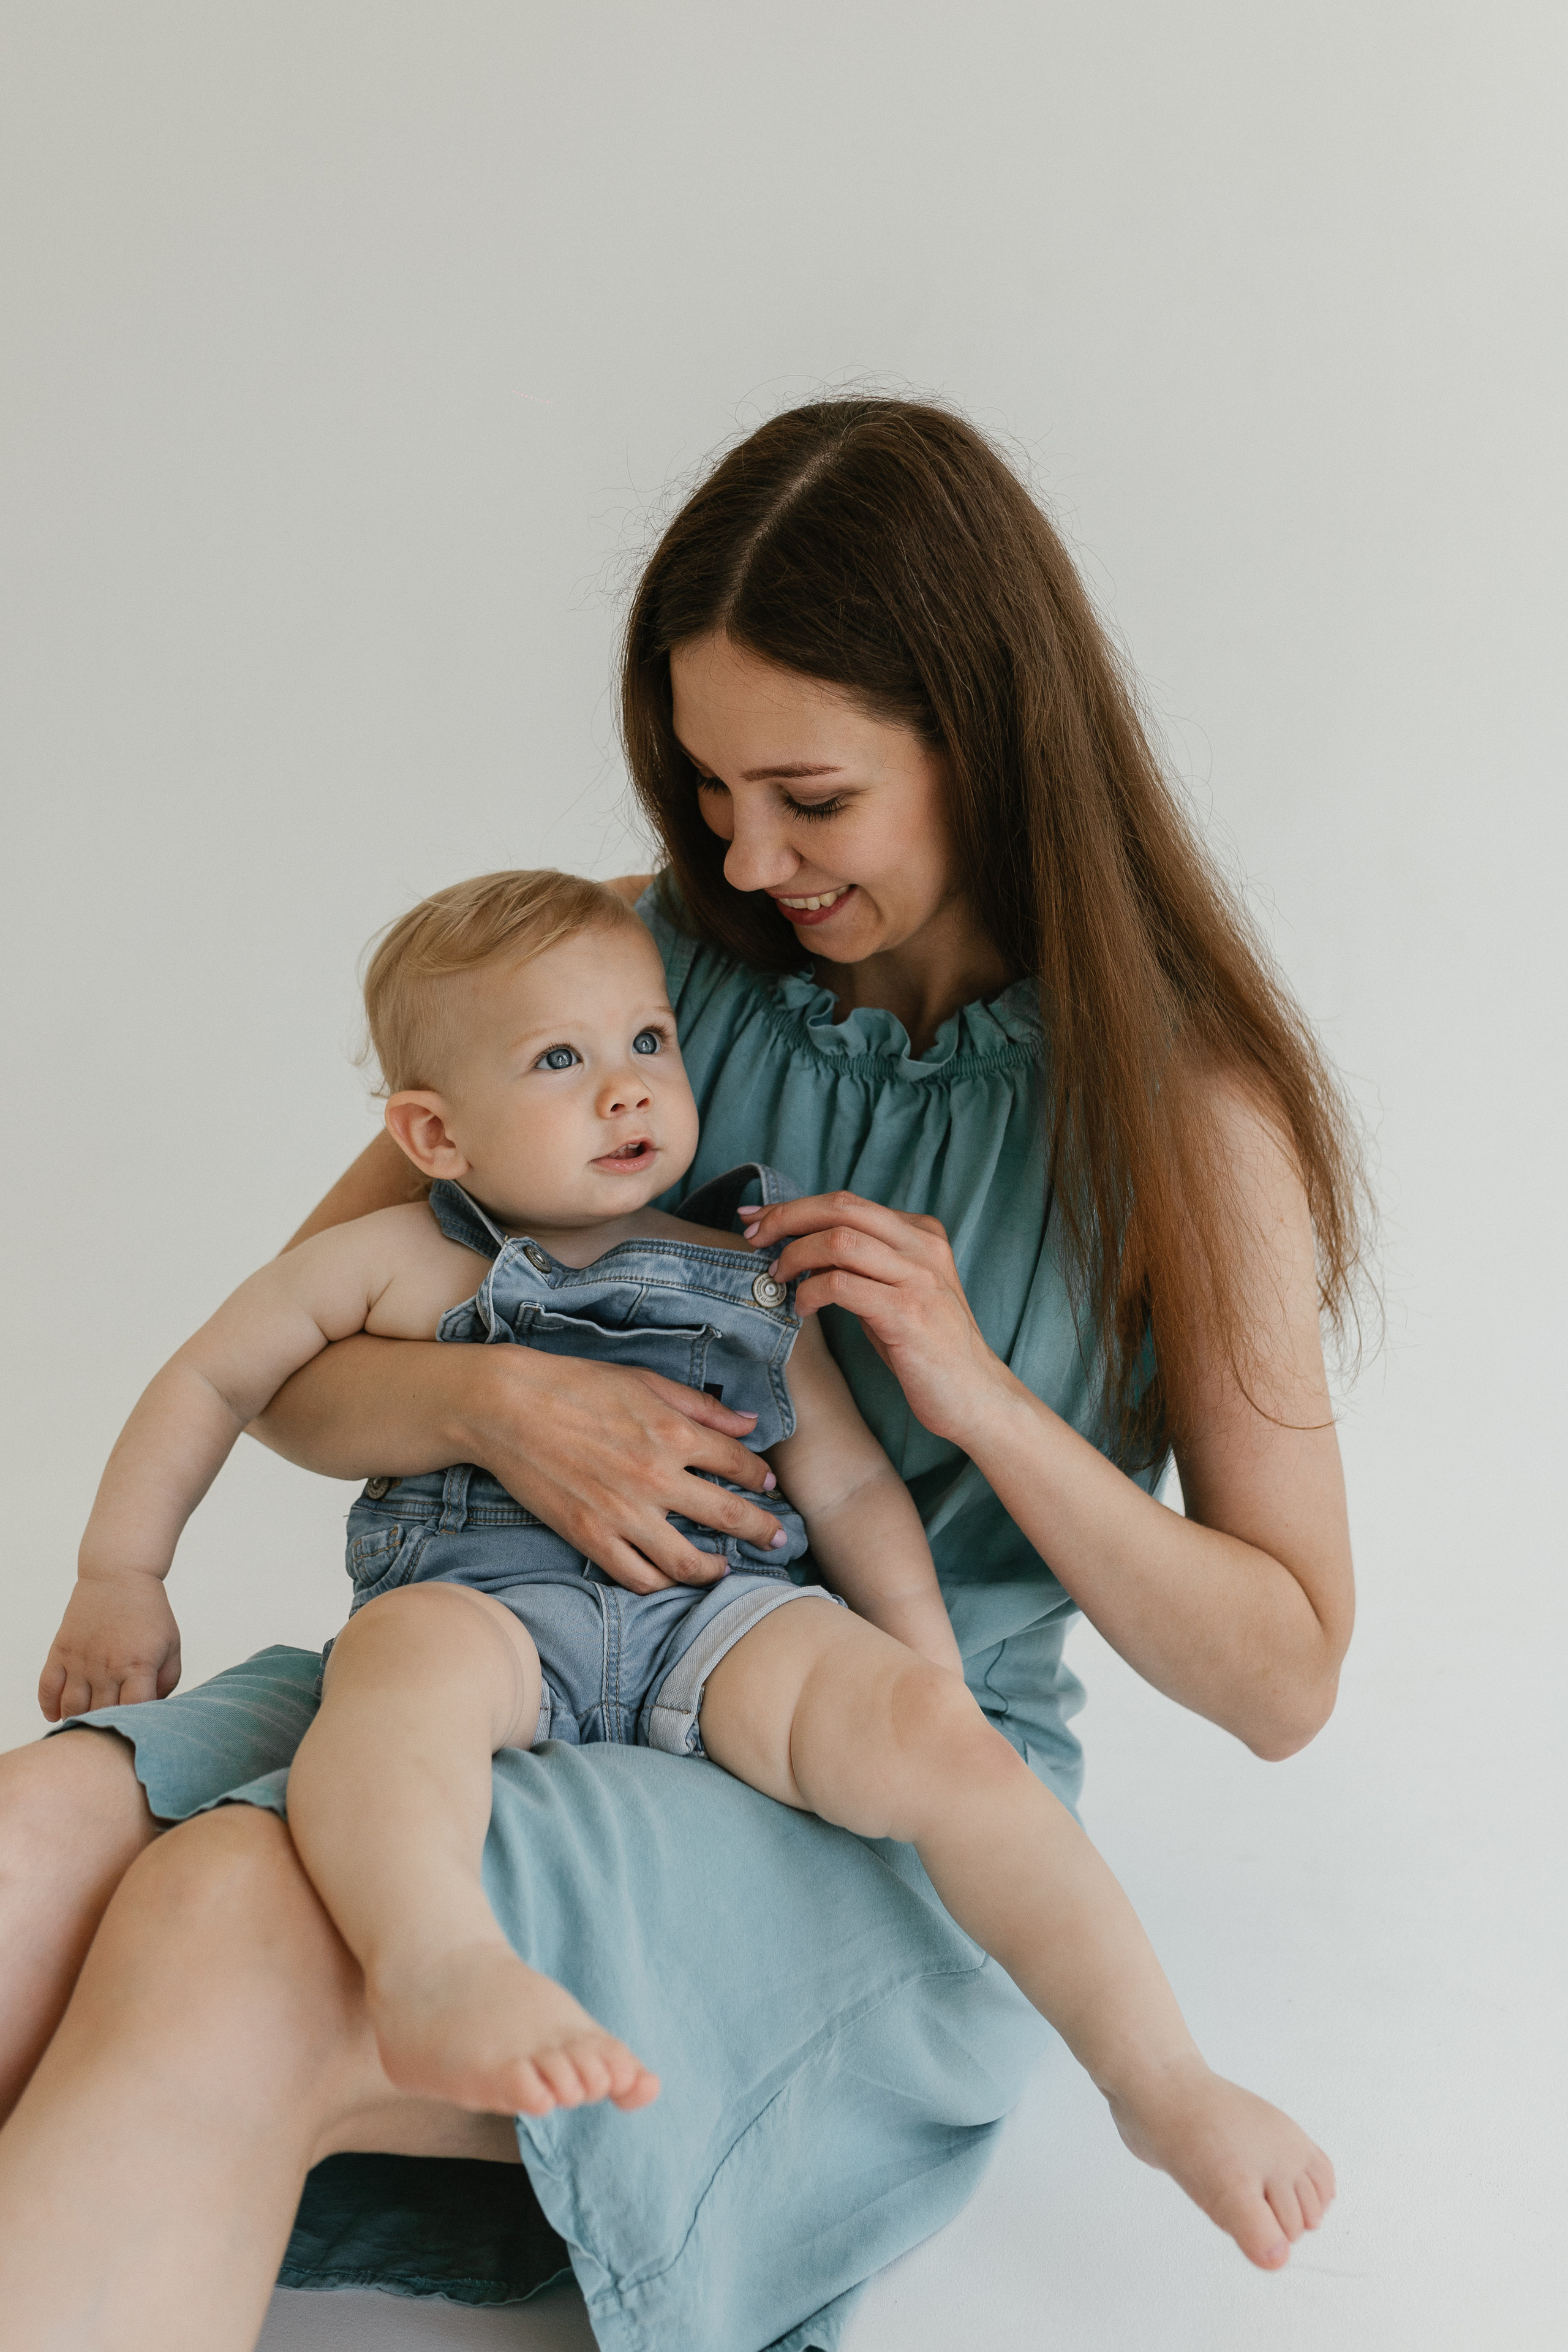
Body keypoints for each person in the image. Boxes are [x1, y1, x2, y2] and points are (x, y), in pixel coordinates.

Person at [0, 398, 1361, 2352]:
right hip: (518, 1644)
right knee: (30, 1850)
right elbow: (291, 1360)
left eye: (808, 798)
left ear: (983, 739)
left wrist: (972, 1394)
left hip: (871, 1777)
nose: (746, 852)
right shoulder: (635, 979)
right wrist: (493, 1407)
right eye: (709, 789)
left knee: (220, 1925)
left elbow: (1288, 1675)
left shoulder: (1181, 1122)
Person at [38, 859, 1334, 2253]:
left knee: (946, 1756)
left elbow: (842, 1484)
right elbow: (216, 1382)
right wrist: (122, 1572)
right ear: (434, 1130)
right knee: (395, 1692)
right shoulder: (413, 1260)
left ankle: (1162, 2081)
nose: (627, 1087)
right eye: (560, 1060)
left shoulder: (745, 1262)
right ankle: (432, 1961)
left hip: (717, 1623)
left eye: (649, 1044)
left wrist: (926, 1670)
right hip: (491, 1605)